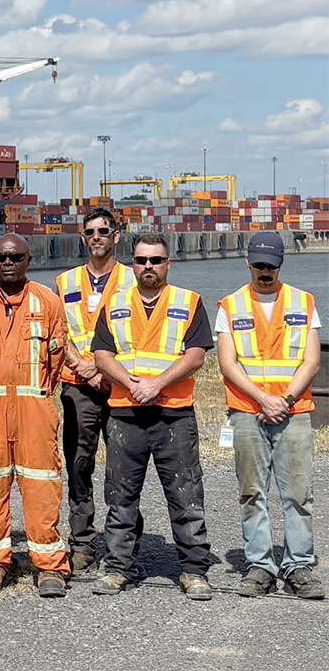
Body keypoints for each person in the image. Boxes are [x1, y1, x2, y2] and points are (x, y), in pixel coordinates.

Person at [91, 234, 214, 600]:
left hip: (173, 416)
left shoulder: (188, 301)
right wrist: (130, 383)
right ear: (133, 264)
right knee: (120, 495)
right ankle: (119, 568)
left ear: (167, 264)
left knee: (186, 495)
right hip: (125, 415)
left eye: (156, 260)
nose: (148, 267)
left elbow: (196, 354)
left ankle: (193, 571)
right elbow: (101, 354)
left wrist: (156, 383)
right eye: (142, 260)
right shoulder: (114, 304)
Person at [0, 234, 69, 598]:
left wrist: (30, 397)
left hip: (35, 409)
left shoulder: (48, 302)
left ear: (28, 259)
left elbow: (55, 362)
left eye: (15, 257)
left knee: (41, 486)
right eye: (2, 257)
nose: (8, 263)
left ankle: (49, 566)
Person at [216, 232, 323, 599]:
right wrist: (263, 398)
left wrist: (285, 399)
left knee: (298, 494)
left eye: (271, 266)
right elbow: (227, 363)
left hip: (293, 412)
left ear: (281, 264)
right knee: (251, 492)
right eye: (259, 265)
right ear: (248, 263)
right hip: (248, 411)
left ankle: (299, 567)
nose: (265, 272)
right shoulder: (229, 306)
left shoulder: (303, 301)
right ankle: (260, 566)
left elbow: (311, 360)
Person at [54, 208, 136, 573]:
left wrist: (105, 370)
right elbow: (59, 333)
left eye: (104, 230)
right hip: (79, 386)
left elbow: (141, 333)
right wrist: (83, 368)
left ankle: (123, 545)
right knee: (79, 464)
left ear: (116, 235)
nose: (97, 236)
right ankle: (82, 542)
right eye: (91, 231)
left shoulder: (135, 281)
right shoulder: (64, 282)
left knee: (124, 467)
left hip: (121, 388)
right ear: (83, 237)